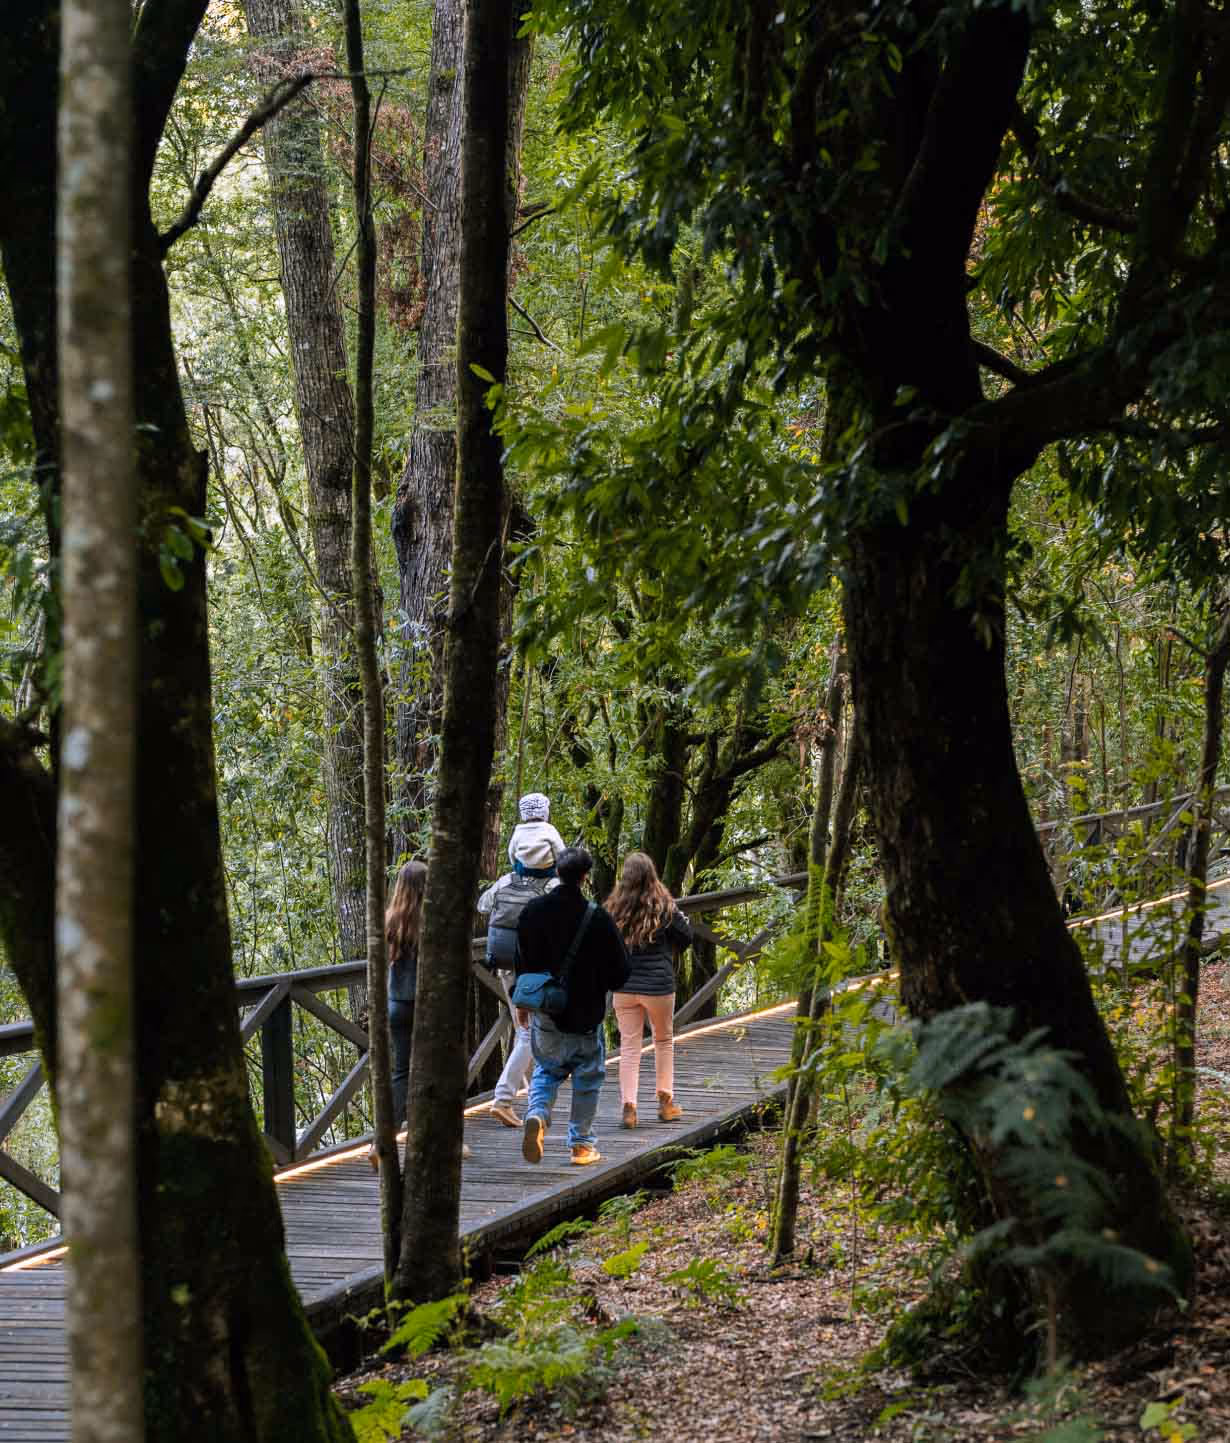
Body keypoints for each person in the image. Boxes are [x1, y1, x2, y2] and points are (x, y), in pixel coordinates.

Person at [515, 845, 629, 1166]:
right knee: (587, 1076)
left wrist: (521, 1004)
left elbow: (521, 961)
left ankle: (537, 1114)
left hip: (546, 1009)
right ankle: (580, 1145)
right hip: (586, 1013)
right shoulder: (598, 918)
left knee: (547, 1069)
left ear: (556, 873)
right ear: (584, 876)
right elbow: (620, 972)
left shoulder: (532, 911)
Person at [370, 859, 469, 1169]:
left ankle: (382, 1141)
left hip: (398, 1005)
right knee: (440, 1072)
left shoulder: (390, 920)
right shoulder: (436, 920)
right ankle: (446, 1140)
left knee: (401, 1073)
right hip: (430, 1008)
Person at [477, 800, 562, 1127]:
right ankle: (504, 1096)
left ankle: (524, 1092)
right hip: (537, 969)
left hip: (506, 966)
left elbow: (484, 906)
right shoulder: (552, 888)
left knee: (521, 1026)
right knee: (530, 1033)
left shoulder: (505, 882)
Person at [605, 851, 692, 1127]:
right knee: (663, 1041)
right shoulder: (665, 907)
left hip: (625, 985)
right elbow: (686, 937)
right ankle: (665, 1103)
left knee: (629, 1047)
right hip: (658, 986)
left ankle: (629, 1108)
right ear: (652, 876)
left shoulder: (613, 909)